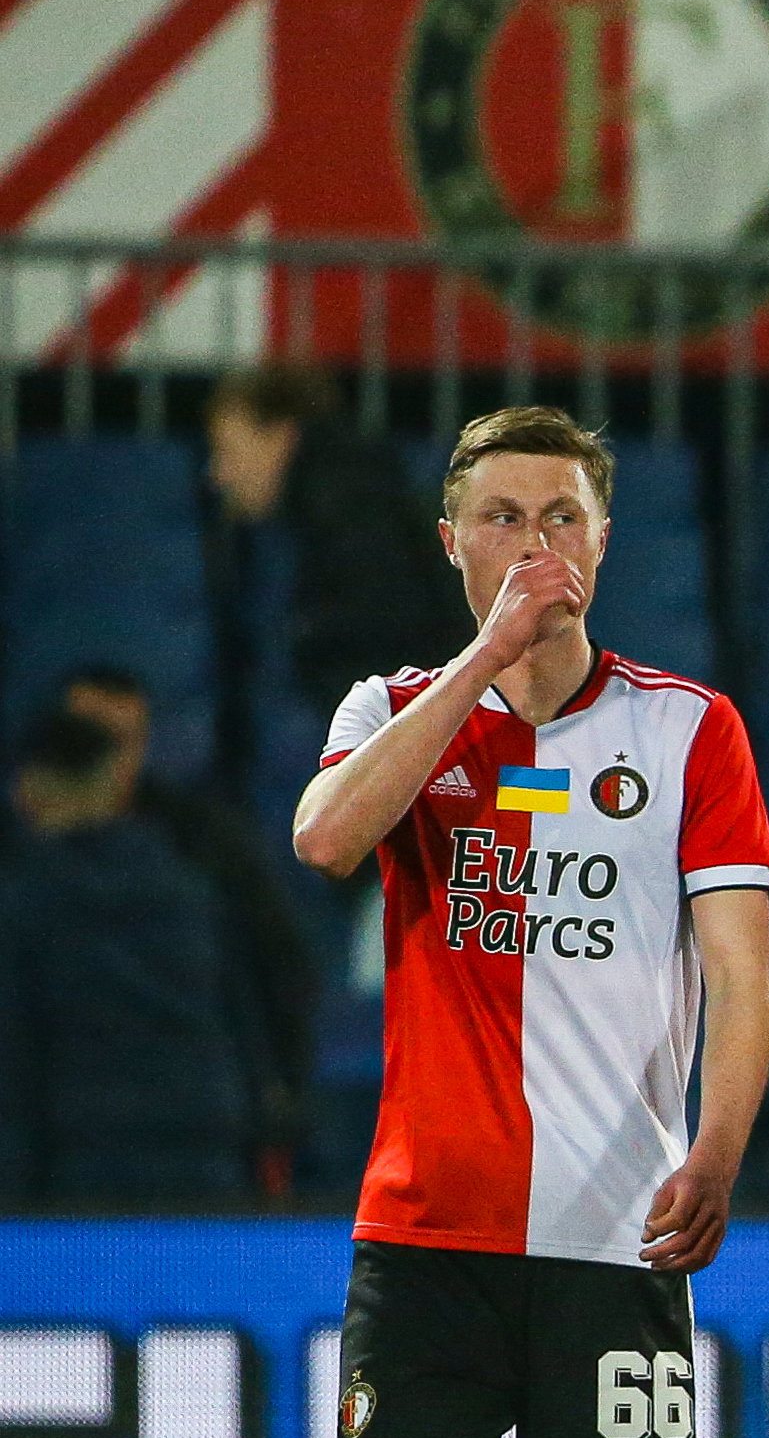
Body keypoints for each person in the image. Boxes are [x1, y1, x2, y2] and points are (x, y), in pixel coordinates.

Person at [269, 404, 769, 1438]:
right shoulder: (396, 713)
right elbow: (332, 838)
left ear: (606, 542)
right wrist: (482, 667)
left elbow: (737, 971)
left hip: (609, 1242)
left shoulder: (691, 731)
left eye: (559, 516)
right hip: (423, 1231)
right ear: (452, 541)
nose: (533, 544)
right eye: (499, 516)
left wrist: (718, 1141)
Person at [55, 663, 320, 1189]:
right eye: (88, 741)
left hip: (190, 1129)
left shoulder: (208, 846)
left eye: (122, 742)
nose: (107, 761)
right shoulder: (20, 855)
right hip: (59, 1132)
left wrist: (279, 1098)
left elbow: (279, 972)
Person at [0, 708, 259, 1200]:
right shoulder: (192, 889)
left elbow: (13, 1047)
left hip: (76, 1154)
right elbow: (245, 1015)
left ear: (28, 788)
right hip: (204, 1142)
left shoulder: (22, 904)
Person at [208, 361, 474, 718]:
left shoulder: (348, 512)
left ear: (281, 435)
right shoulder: (351, 494)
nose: (217, 474)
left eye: (227, 450)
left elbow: (383, 643)